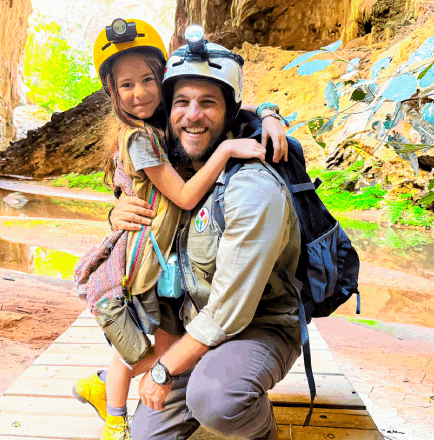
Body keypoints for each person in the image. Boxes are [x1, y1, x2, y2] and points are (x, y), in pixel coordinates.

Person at [72, 19, 289, 440]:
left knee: (215, 397)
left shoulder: (244, 181)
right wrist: (117, 212)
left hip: (251, 322)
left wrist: (269, 113)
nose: (192, 114)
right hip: (173, 300)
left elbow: (228, 310)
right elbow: (156, 194)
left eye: (149, 80)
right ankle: (118, 392)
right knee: (148, 409)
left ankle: (258, 428)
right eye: (181, 102)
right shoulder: (157, 142)